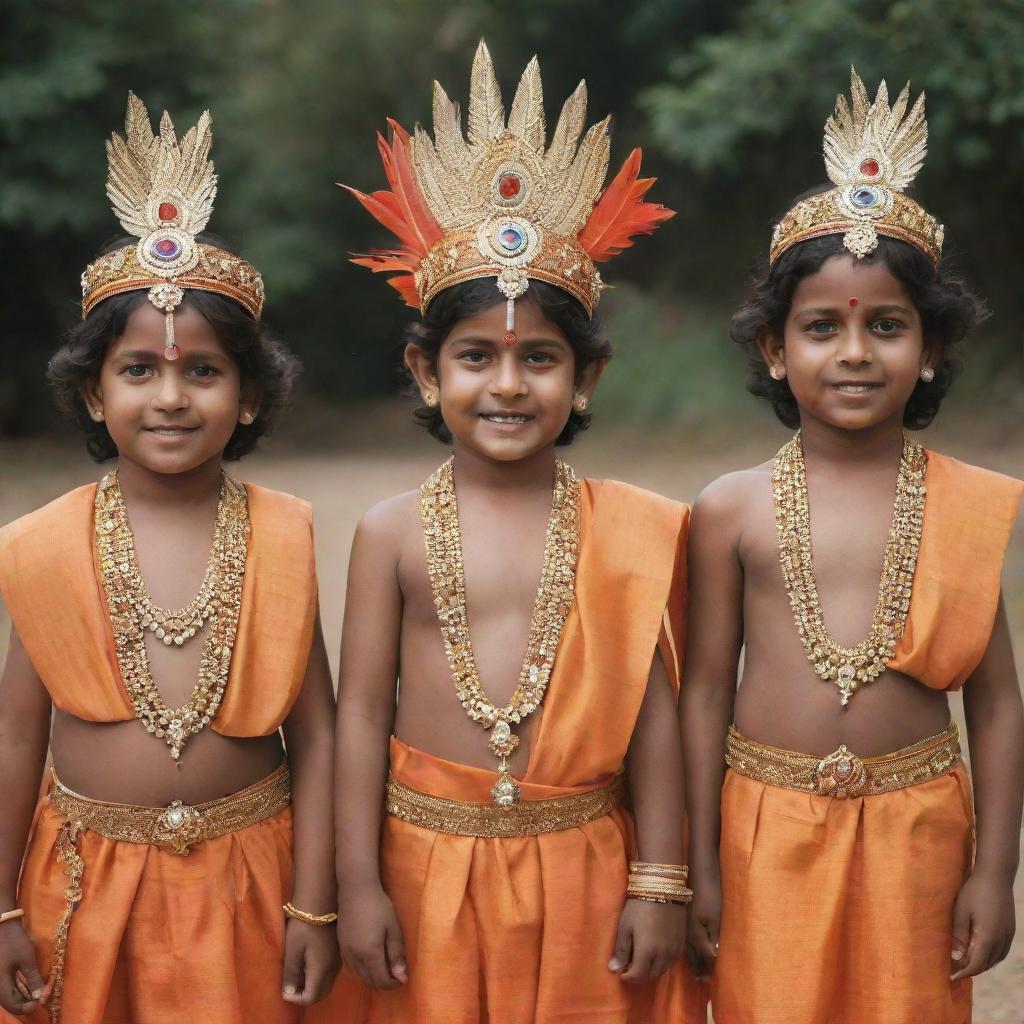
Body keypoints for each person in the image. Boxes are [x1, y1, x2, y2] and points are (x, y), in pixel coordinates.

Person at [334, 41, 707, 1023]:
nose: (506, 384)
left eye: (538, 357)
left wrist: (660, 878)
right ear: (425, 372)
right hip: (424, 866)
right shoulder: (388, 533)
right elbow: (361, 715)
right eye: (475, 358)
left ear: (584, 378)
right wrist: (356, 883)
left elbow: (654, 716)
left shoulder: (628, 530)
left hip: (587, 859)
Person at [681, 69, 1023, 1024]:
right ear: (774, 351)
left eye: (888, 327)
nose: (856, 353)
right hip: (763, 829)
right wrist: (697, 864)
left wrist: (996, 872)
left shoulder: (961, 504)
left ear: (935, 350)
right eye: (822, 327)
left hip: (919, 829)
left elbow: (995, 702)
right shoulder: (730, 509)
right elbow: (703, 690)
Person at [0, 94, 339, 1022]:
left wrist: (315, 900)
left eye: (203, 372)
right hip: (85, 883)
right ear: (91, 394)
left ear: (253, 397)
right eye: (138, 371)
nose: (171, 398)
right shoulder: (43, 545)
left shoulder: (282, 534)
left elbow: (316, 735)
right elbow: (17, 737)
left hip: (252, 883)